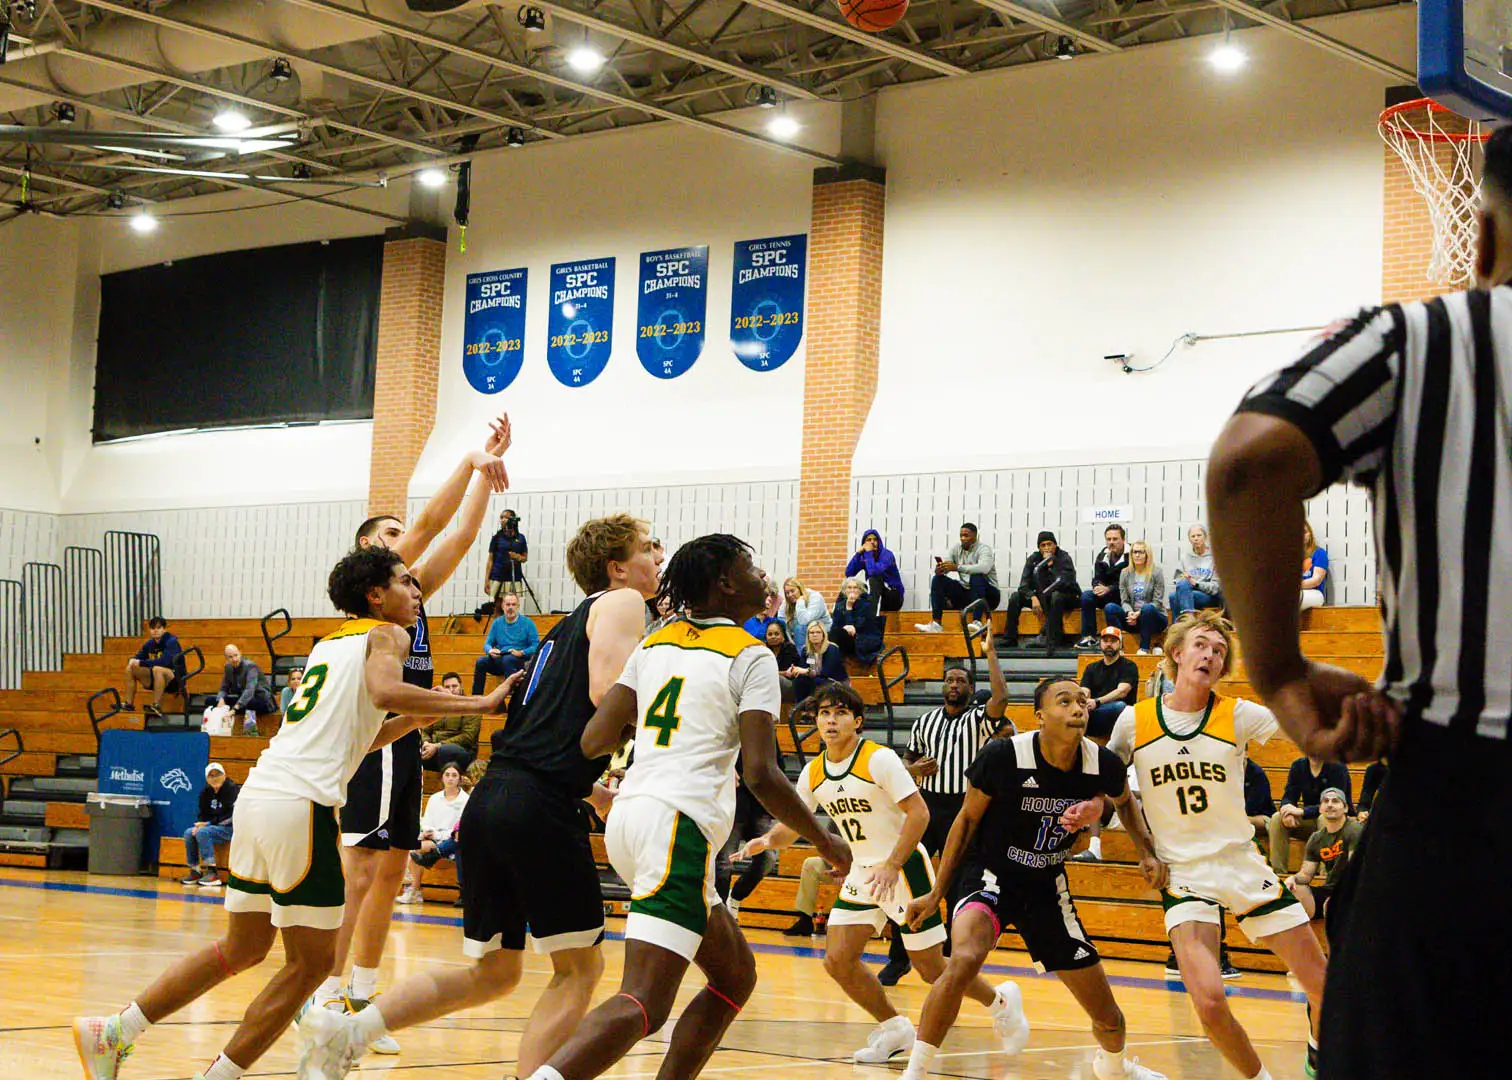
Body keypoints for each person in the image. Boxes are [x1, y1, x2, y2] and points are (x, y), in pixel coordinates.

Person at [1207, 126, 1512, 1080]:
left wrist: (1282, 673)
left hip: (1468, 807)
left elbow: (1252, 460)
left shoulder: (1422, 341)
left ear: (1486, 237)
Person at [73, 545, 511, 1080]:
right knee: (311, 965)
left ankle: (116, 1030)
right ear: (376, 595)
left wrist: (420, 716)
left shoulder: (331, 643)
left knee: (243, 946)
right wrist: (478, 704)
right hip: (301, 807)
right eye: (405, 581)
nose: (417, 591)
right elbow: (385, 689)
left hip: (260, 796)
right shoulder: (389, 635)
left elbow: (367, 734)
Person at [299, 514, 662, 1080]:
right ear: (617, 568)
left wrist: (592, 787)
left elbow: (545, 731)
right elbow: (606, 696)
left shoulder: (559, 632)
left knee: (493, 973)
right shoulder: (622, 604)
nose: (657, 554)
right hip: (537, 808)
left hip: (494, 799)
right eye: (646, 547)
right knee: (579, 972)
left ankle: (348, 1031)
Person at [515, 533, 852, 1080]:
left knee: (734, 976)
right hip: (678, 826)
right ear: (722, 583)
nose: (762, 575)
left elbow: (594, 739)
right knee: (644, 1002)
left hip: (629, 817)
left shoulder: (655, 643)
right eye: (750, 566)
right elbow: (761, 774)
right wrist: (822, 837)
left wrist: (662, 722)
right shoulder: (752, 656)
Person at [311, 418, 510, 1054]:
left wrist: (485, 474)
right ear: (372, 558)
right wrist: (470, 459)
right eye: (392, 538)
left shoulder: (412, 600)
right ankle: (322, 991)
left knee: (392, 870)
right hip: (371, 733)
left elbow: (465, 531)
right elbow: (429, 526)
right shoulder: (374, 612)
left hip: (401, 736)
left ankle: (361, 998)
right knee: (362, 869)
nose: (407, 541)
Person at [741, 681, 1022, 1064]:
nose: (830, 720)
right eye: (824, 713)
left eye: (840, 713)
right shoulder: (812, 772)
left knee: (931, 969)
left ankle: (1001, 1002)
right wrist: (765, 842)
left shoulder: (879, 759)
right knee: (837, 959)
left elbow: (919, 813)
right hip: (863, 872)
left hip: (903, 868)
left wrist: (892, 865)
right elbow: (794, 824)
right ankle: (894, 1029)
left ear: (857, 721)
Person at [898, 678, 1166, 1080]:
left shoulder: (1102, 763)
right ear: (1040, 716)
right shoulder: (1003, 756)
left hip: (1046, 885)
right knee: (964, 961)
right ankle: (915, 1072)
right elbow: (967, 819)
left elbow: (1125, 803)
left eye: (1081, 701)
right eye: (1065, 701)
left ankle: (1113, 1067)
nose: (1078, 707)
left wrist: (1146, 851)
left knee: (1109, 1017)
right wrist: (938, 890)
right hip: (990, 872)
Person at [1107, 610, 1326, 1080]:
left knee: (1325, 987)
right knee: (1208, 1002)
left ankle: (1317, 1054)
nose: (1211, 654)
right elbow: (1115, 789)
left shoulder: (1238, 715)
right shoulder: (1133, 721)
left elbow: (1301, 727)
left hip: (1242, 864)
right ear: (1177, 653)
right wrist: (1144, 848)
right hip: (1184, 874)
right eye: (1203, 644)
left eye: (1220, 651)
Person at [883, 628, 1010, 985]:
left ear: (970, 689)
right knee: (911, 882)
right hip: (928, 808)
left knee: (956, 887)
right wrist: (913, 769)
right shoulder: (925, 721)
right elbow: (905, 763)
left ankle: (954, 963)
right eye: (949, 679)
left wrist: (990, 653)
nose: (954, 684)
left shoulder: (978, 720)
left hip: (963, 808)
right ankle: (899, 957)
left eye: (960, 680)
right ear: (943, 687)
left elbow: (1000, 695)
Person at [1265, 753, 1352, 875]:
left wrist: (1302, 811)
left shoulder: (1337, 767)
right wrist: (1287, 809)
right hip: (1310, 821)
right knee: (1277, 818)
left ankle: (1326, 876)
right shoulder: (1298, 766)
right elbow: (1289, 796)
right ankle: (1278, 875)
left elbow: (1334, 807)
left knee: (1325, 818)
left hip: (1336, 822)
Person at [398, 762, 470, 905]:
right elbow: (427, 821)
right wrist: (427, 831)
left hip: (453, 840)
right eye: (447, 775)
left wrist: (437, 835)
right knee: (415, 847)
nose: (450, 779)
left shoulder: (465, 800)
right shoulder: (434, 798)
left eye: (454, 775)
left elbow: (459, 828)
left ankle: (415, 885)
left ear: (460, 779)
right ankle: (414, 890)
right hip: (435, 837)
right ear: (442, 778)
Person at [1286, 789, 1361, 921]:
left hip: (1355, 890)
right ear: (1320, 809)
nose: (1330, 804)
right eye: (1326, 801)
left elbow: (1354, 871)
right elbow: (1306, 874)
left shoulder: (1354, 829)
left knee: (1336, 906)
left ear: (1345, 808)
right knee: (1293, 892)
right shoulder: (1316, 838)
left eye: (1335, 801)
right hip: (1330, 889)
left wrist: (1338, 899)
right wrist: (1293, 879)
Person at [914, 523, 998, 633]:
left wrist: (957, 567)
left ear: (975, 536)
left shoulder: (984, 549)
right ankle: (936, 624)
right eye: (961, 536)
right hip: (968, 594)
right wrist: (941, 569)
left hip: (989, 596)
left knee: (976, 576)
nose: (963, 539)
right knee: (938, 580)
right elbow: (949, 564)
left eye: (966, 535)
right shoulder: (956, 549)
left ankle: (977, 621)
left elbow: (984, 568)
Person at [1003, 531, 1080, 651]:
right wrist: (1032, 597)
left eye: (1049, 544)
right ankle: (1010, 638)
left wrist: (1050, 566)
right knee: (1015, 597)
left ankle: (1052, 639)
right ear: (1039, 548)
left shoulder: (1064, 558)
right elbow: (1023, 585)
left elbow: (1065, 582)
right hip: (1042, 596)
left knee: (1056, 596)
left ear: (1055, 545)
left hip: (1065, 596)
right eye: (1043, 545)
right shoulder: (1033, 559)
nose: (1047, 548)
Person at [179, 763, 239, 888]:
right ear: (207, 779)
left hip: (232, 828)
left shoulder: (233, 789)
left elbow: (232, 816)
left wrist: (207, 824)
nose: (215, 778)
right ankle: (195, 870)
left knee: (203, 832)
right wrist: (199, 825)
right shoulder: (205, 792)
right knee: (189, 833)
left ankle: (212, 872)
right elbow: (202, 814)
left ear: (224, 775)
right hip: (213, 828)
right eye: (211, 776)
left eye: (218, 774)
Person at [471, 591, 540, 694]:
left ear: (518, 606)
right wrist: (490, 650)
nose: (510, 607)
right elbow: (487, 644)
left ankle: (513, 693)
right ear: (503, 606)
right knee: (481, 662)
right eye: (508, 604)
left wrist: (521, 652)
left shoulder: (528, 623)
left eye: (513, 604)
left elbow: (536, 645)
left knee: (508, 660)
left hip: (520, 660)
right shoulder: (497, 623)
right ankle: (476, 697)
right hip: (501, 658)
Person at [1076, 525, 1131, 650]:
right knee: (1087, 596)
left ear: (1123, 540)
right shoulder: (1103, 555)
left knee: (1109, 607)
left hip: (1123, 597)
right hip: (1106, 594)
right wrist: (1097, 587)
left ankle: (1116, 640)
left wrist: (1109, 589)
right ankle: (1088, 637)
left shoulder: (1132, 556)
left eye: (1115, 539)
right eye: (1108, 539)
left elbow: (1130, 584)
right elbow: (1097, 578)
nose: (1111, 542)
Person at [1109, 540, 1168, 655]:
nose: (1137, 555)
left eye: (1141, 552)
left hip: (1155, 618)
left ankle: (1144, 648)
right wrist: (1130, 613)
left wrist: (1139, 613)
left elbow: (1157, 602)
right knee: (1110, 608)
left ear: (1147, 554)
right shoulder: (1125, 573)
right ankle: (1119, 646)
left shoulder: (1156, 572)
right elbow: (1124, 600)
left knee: (1147, 608)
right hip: (1133, 619)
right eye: (1134, 552)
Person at [1080, 626, 1138, 740]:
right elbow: (1084, 690)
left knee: (1120, 706)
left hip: (1120, 717)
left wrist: (1097, 702)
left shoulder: (1129, 666)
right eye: (1105, 641)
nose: (1109, 644)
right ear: (1100, 643)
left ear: (1120, 644)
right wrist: (1084, 701)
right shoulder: (1091, 668)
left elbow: (1122, 692)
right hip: (1095, 714)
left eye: (1113, 641)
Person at [124, 616, 185, 718]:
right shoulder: (149, 644)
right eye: (153, 628)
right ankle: (128, 704)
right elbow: (139, 657)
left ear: (164, 629)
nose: (155, 630)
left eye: (158, 628)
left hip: (175, 679)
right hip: (156, 678)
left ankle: (156, 705)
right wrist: (133, 660)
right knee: (130, 668)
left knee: (158, 669)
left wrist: (141, 662)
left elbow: (165, 662)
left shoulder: (171, 641)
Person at [420, 672, 481, 774]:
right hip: (433, 749)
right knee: (410, 750)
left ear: (461, 687)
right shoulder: (436, 707)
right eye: (447, 687)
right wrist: (426, 743)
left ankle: (448, 788)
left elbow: (467, 738)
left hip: (463, 751)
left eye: (454, 686)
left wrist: (438, 746)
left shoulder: (472, 708)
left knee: (446, 751)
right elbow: (424, 730)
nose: (451, 690)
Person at [215, 645, 275, 735]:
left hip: (261, 699)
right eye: (230, 657)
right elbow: (224, 687)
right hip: (243, 699)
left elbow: (249, 690)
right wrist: (221, 699)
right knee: (211, 700)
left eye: (236, 655)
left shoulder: (250, 666)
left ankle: (249, 733)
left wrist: (234, 709)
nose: (234, 659)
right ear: (226, 658)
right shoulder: (228, 667)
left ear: (240, 653)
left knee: (248, 704)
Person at [845, 528, 905, 611]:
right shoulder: (865, 557)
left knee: (873, 579)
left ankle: (871, 616)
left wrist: (868, 553)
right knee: (850, 589)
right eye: (869, 540)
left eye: (875, 539)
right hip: (876, 596)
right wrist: (858, 554)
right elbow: (849, 573)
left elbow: (874, 572)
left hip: (893, 596)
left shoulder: (887, 555)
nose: (872, 542)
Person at [1169, 525, 1222, 617]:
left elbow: (1215, 588)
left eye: (1199, 535)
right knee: (1174, 594)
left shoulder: (1215, 558)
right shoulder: (1185, 557)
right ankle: (1186, 620)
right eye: (1193, 536)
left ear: (1205, 538)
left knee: (1175, 597)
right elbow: (1177, 580)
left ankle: (1184, 623)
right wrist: (1186, 580)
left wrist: (1196, 584)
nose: (1196, 539)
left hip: (1208, 595)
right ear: (1189, 539)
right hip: (1187, 591)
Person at [831, 576, 885, 665]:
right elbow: (835, 625)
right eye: (849, 587)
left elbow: (857, 627)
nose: (852, 590)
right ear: (845, 591)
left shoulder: (867, 604)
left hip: (862, 638)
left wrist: (849, 608)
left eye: (855, 587)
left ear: (860, 590)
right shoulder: (839, 605)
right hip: (843, 638)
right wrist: (844, 628)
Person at [792, 621, 847, 703]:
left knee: (815, 682)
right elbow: (803, 668)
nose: (815, 635)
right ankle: (801, 707)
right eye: (812, 632)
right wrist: (795, 670)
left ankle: (811, 706)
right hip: (815, 680)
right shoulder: (806, 650)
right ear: (808, 636)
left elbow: (826, 672)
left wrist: (806, 671)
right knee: (799, 680)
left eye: (818, 632)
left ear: (823, 635)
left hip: (835, 682)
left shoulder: (832, 648)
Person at [484, 508, 529, 607]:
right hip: (498, 576)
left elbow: (525, 558)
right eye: (501, 517)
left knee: (513, 606)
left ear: (513, 520)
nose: (503, 520)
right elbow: (490, 559)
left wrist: (517, 557)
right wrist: (486, 580)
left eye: (506, 517)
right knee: (498, 606)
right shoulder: (496, 538)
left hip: (514, 576)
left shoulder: (520, 538)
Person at [780, 576, 830, 647]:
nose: (790, 595)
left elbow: (804, 621)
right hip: (799, 635)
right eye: (787, 593)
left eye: (792, 591)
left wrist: (800, 602)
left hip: (821, 631)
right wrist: (790, 639)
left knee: (799, 628)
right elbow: (781, 620)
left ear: (800, 589)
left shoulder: (815, 597)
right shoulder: (787, 602)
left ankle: (801, 656)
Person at [1300, 521, 1329, 611]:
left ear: (1310, 534)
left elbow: (1316, 580)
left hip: (1315, 593)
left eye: (1305, 532)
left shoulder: (1319, 553)